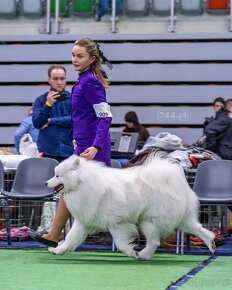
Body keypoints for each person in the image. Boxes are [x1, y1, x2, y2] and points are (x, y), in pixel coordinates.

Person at [28, 38, 113, 248]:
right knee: (70, 190)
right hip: (82, 147)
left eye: (80, 55)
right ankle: (54, 234)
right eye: (73, 55)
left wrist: (96, 147)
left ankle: (56, 235)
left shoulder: (90, 81)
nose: (75, 59)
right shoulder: (83, 80)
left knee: (107, 196)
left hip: (92, 150)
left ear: (91, 58)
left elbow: (106, 117)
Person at [32, 64, 73, 162]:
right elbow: (37, 123)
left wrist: (50, 121)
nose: (59, 82)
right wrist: (48, 105)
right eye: (55, 79)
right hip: (47, 152)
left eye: (62, 78)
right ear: (49, 80)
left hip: (70, 151)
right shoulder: (41, 100)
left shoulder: (74, 99)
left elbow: (76, 120)